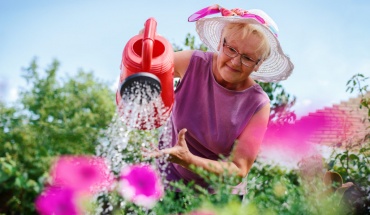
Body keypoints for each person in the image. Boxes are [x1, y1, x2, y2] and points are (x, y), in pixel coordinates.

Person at [147, 4, 294, 191]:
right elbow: (149, 67)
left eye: (248, 58)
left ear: (258, 64)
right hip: (169, 176)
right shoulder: (193, 63)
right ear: (220, 43)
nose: (235, 62)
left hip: (217, 195)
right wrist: (146, 45)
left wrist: (189, 160)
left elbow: (238, 170)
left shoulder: (258, 104)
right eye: (231, 49)